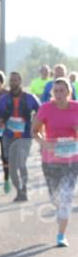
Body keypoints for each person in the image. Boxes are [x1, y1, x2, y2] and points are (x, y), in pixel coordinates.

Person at [32, 78, 78, 247]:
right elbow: (34, 131)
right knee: (55, 197)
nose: (59, 94)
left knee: (66, 197)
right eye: (56, 91)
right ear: (52, 93)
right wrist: (45, 144)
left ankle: (61, 235)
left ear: (68, 92)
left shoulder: (76, 108)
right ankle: (60, 210)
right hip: (51, 160)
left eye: (62, 90)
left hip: (72, 160)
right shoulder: (46, 108)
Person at [0, 71, 40, 202]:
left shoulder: (30, 97)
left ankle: (23, 191)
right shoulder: (3, 99)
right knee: (12, 168)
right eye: (11, 80)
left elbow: (41, 110)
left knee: (21, 164)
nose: (13, 82)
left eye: (16, 80)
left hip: (24, 136)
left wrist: (36, 120)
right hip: (9, 137)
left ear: (20, 81)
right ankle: (18, 190)